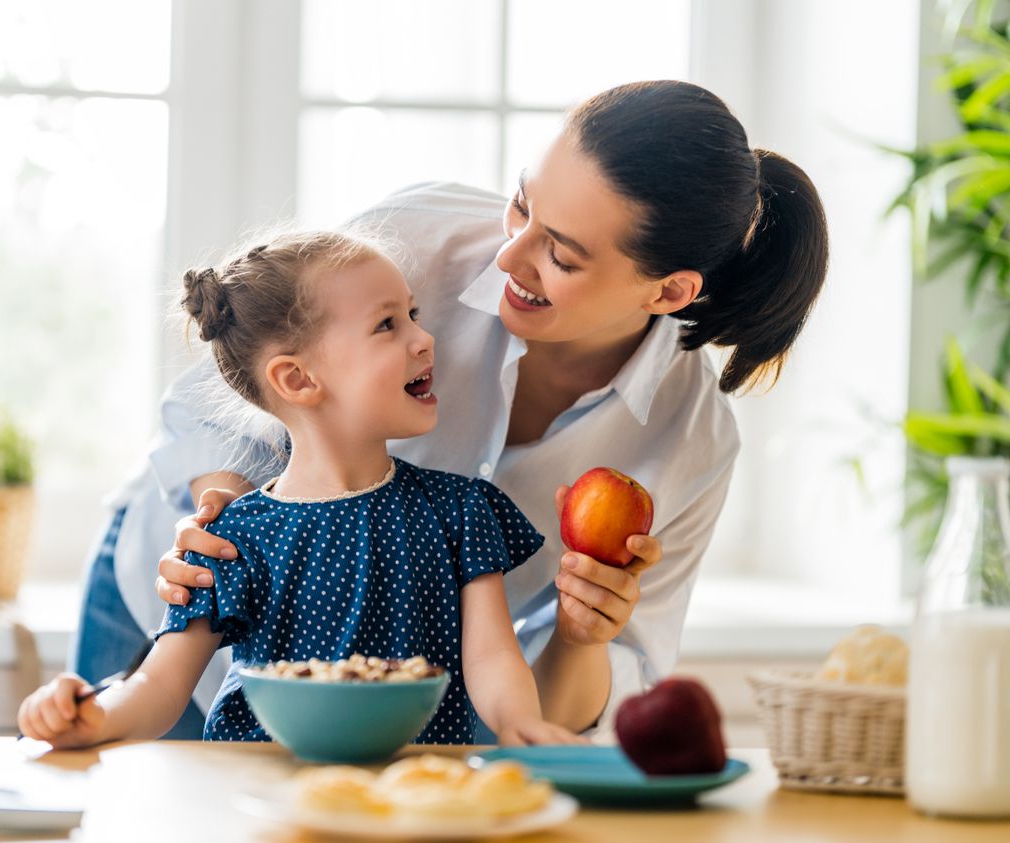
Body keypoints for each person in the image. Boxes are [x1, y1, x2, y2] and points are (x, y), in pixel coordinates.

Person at [92, 79, 830, 740]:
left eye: (562, 257)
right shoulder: (411, 245)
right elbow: (221, 382)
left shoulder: (688, 443)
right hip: (166, 612)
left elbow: (573, 695)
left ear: (668, 292)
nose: (510, 256)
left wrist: (580, 636)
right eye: (521, 202)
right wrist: (220, 530)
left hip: (378, 717)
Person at [22, 231, 586, 748]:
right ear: (297, 379)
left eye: (412, 314)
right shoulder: (230, 538)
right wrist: (91, 715)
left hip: (409, 795)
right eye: (388, 324)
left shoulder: (461, 510)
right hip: (256, 795)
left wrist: (520, 722)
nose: (425, 339)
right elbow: (158, 687)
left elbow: (489, 654)